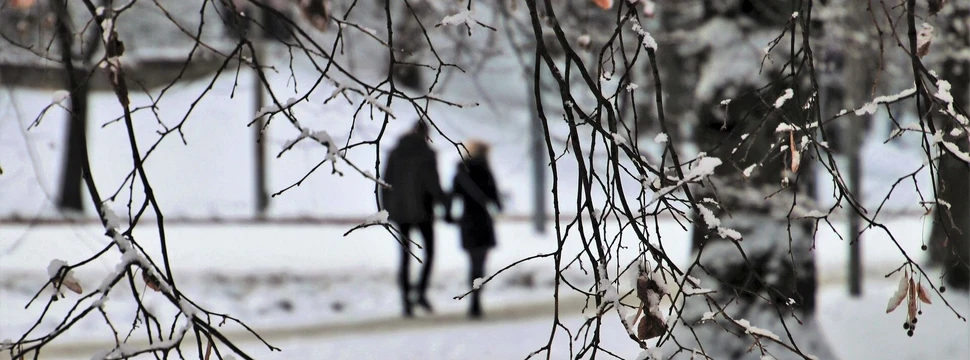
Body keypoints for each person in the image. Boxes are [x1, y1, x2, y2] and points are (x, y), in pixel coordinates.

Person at [380, 120, 444, 317]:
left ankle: (406, 300)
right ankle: (421, 292)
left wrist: (387, 209)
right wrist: (444, 202)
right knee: (430, 253)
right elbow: (433, 184)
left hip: (400, 213)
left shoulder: (395, 152)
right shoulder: (428, 154)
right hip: (424, 212)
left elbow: (385, 183)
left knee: (405, 257)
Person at [444, 139, 502, 319]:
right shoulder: (485, 171)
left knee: (472, 263)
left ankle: (473, 300)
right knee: (480, 264)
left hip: (467, 222)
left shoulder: (461, 172)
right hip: (483, 222)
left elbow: (451, 196)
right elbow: (495, 199)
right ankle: (476, 300)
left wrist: (448, 216)